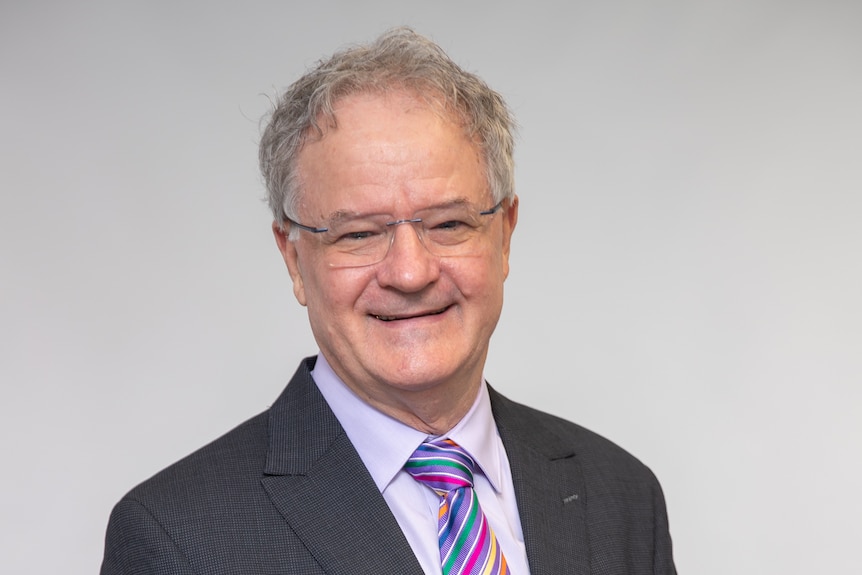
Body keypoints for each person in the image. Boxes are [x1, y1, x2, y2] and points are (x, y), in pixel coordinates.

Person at [101, 27, 676, 575]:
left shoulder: (620, 495)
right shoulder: (175, 538)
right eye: (358, 234)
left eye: (449, 224)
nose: (409, 272)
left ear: (505, 235)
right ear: (293, 259)